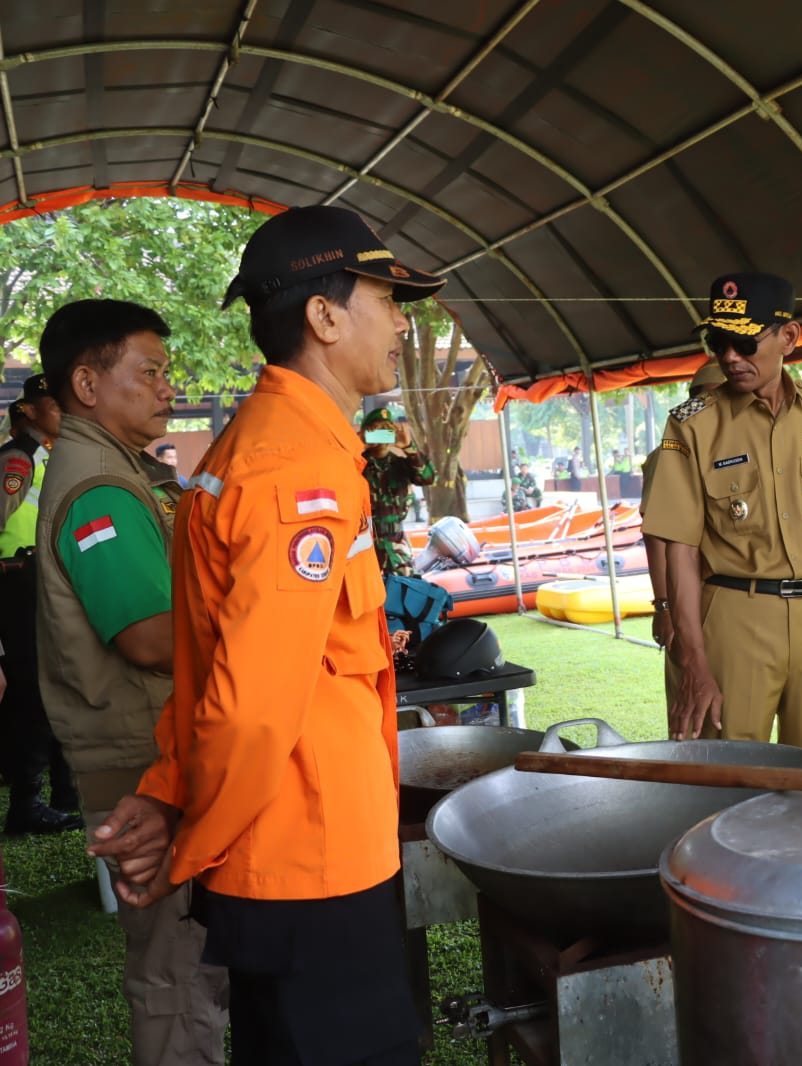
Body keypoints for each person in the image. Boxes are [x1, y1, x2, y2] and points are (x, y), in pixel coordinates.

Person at [88, 203, 447, 1066]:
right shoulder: (295, 469)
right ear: (324, 316)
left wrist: (170, 790)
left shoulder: (271, 446)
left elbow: (210, 666)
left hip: (301, 853)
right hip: (309, 863)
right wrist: (190, 839)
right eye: (386, 300)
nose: (403, 324)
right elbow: (251, 707)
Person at [32, 299, 228, 1064]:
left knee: (190, 969)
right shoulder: (99, 490)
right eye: (149, 372)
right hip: (140, 765)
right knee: (177, 977)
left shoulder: (120, 471)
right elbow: (147, 637)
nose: (167, 388)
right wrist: (252, 632)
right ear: (87, 384)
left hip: (154, 753)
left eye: (166, 372)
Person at [642, 272, 802, 759]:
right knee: (725, 777)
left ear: (788, 337)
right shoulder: (693, 426)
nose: (730, 356)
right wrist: (693, 658)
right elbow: (680, 549)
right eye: (718, 342)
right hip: (735, 617)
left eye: (745, 342)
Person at [0, 374, 81, 835]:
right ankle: (26, 803)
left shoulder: (48, 456)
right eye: (53, 404)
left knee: (53, 683)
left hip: (42, 580)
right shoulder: (18, 459)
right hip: (17, 583)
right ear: (29, 410)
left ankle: (64, 792)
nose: (62, 411)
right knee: (32, 688)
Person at [642, 361, 725, 703]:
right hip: (689, 597)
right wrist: (664, 607)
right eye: (705, 399)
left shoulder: (745, 449)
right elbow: (656, 537)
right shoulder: (669, 455)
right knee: (691, 699)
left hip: (736, 600)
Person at [360, 406, 435, 577]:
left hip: (397, 545)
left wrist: (409, 447)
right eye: (376, 431)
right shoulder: (357, 465)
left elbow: (428, 477)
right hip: (364, 542)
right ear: (366, 434)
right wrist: (357, 444)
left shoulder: (402, 465)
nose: (382, 436)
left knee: (403, 589)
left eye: (387, 430)